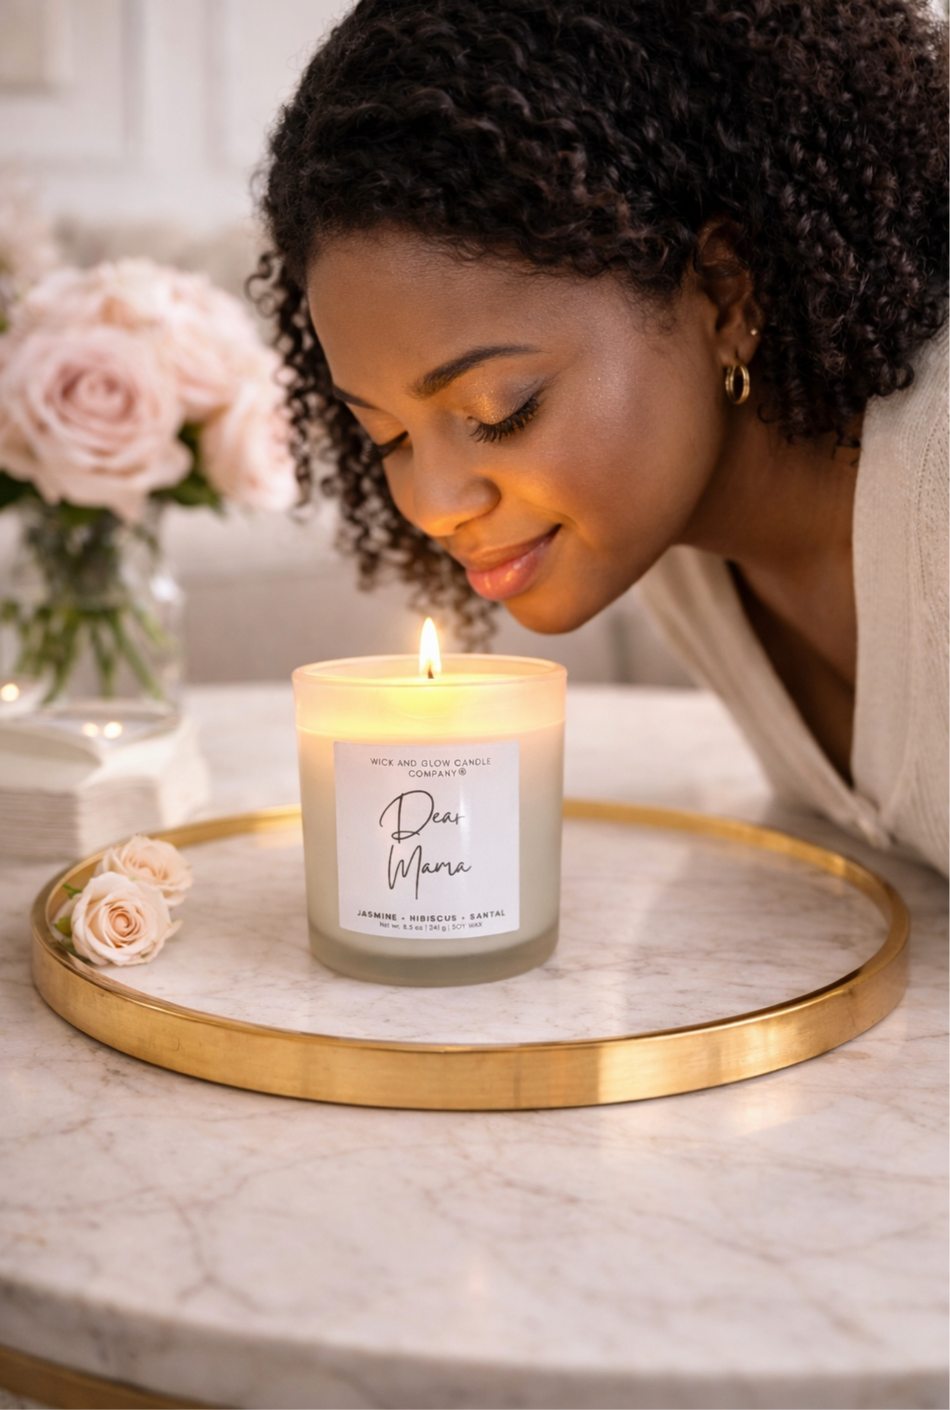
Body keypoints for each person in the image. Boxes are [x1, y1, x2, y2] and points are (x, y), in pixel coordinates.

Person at [255, 0, 949, 875]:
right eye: (383, 435)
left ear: (725, 292)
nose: (430, 506)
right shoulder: (673, 536)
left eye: (501, 410)